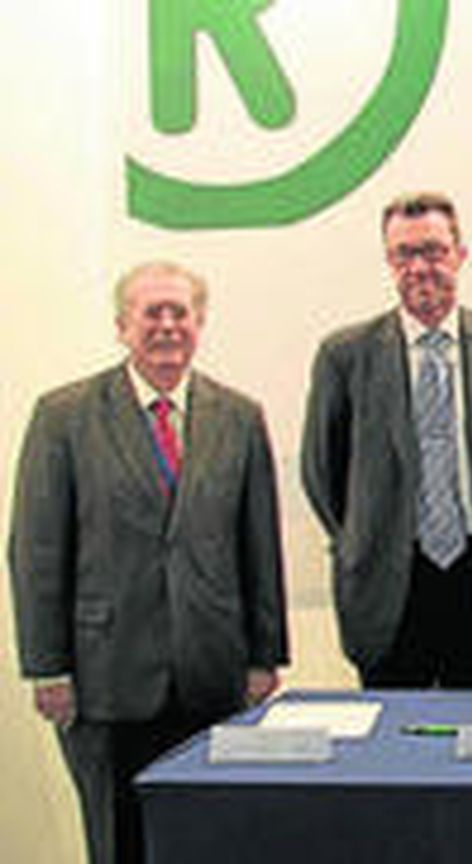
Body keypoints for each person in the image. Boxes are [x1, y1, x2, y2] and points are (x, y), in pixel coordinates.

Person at [9, 261, 288, 864]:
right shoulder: (64, 416)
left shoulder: (239, 416)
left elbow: (258, 546)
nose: (167, 325)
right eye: (151, 313)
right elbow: (36, 551)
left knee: (212, 842)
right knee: (119, 843)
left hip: (212, 675)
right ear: (122, 325)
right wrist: (47, 667)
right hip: (105, 680)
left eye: (179, 312)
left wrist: (265, 656)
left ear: (200, 322)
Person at [301, 192, 472, 688]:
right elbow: (322, 473)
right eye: (404, 254)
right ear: (389, 261)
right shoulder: (345, 356)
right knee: (394, 729)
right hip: (389, 583)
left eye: (433, 251)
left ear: (460, 254)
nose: (420, 267)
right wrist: (362, 539)